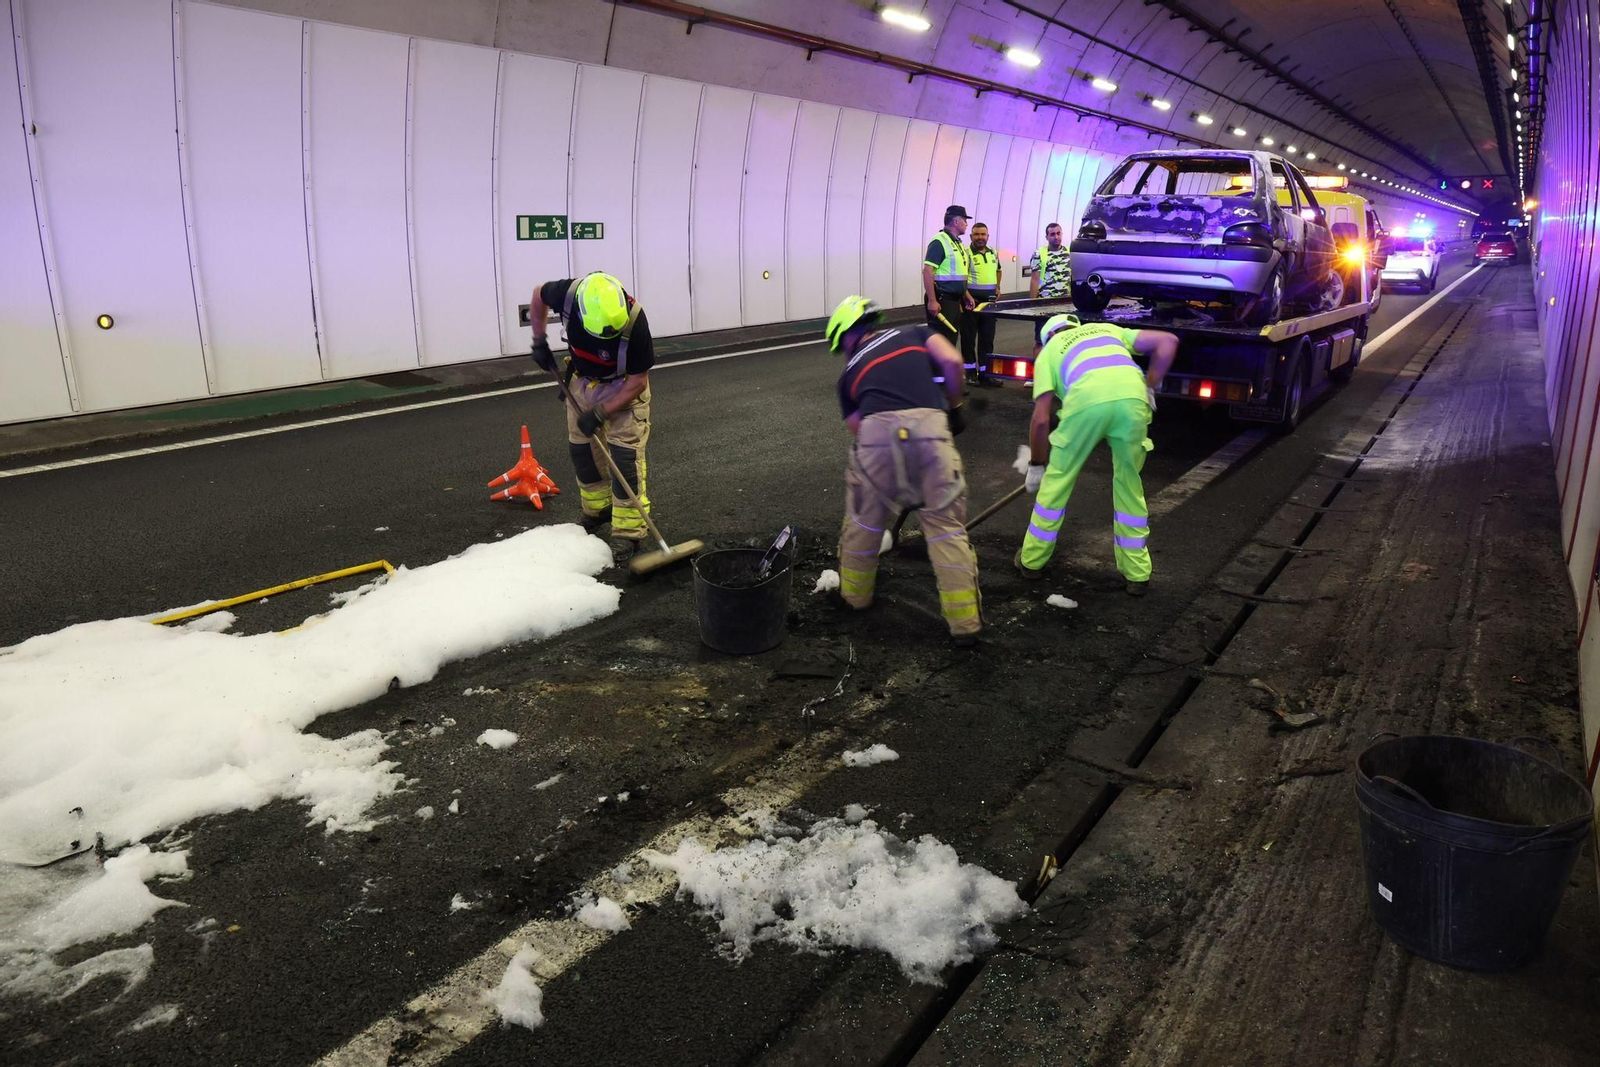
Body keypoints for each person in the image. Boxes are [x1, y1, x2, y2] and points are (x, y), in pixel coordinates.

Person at [826, 295, 981, 647]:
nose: (845, 353)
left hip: (876, 436)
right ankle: (966, 625)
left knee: (863, 522)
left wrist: (888, 480)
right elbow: (953, 360)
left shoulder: (847, 376)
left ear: (848, 335)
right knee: (945, 529)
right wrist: (954, 408)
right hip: (931, 429)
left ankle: (853, 599)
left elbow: (859, 428)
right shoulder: (915, 333)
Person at [1016, 314, 1178, 596]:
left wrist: (1037, 465)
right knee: (1128, 483)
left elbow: (1040, 420)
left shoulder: (1049, 351)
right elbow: (1168, 341)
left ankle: (1031, 561)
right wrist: (1150, 385)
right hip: (1133, 398)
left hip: (1085, 402)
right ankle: (1137, 574)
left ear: (1048, 337)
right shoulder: (1107, 329)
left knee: (1058, 482)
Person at [528, 271, 656, 563]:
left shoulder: (635, 322)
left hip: (623, 387)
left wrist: (602, 412)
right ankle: (598, 512)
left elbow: (638, 381)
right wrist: (539, 340)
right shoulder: (568, 295)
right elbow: (538, 295)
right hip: (583, 382)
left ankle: (628, 532)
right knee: (583, 452)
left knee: (625, 460)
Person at [922, 205, 975, 346]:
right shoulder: (939, 241)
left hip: (954, 301)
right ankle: (936, 369)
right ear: (956, 222)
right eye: (964, 220)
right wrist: (932, 301)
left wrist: (965, 295)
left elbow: (957, 275)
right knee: (941, 343)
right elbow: (927, 271)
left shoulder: (956, 243)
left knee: (950, 340)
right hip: (942, 300)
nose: (967, 224)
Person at [962, 222, 1001, 380]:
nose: (980, 237)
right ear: (971, 236)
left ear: (988, 236)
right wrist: (967, 297)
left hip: (989, 304)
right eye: (976, 234)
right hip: (971, 303)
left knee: (987, 339)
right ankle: (971, 374)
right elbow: (961, 278)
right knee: (968, 339)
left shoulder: (993, 252)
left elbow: (998, 270)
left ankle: (986, 373)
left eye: (983, 234)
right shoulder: (966, 254)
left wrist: (997, 287)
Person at [1028, 222, 1071, 302]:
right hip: (1046, 302)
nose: (1056, 237)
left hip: (1066, 301)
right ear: (1047, 237)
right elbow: (1035, 280)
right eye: (1052, 234)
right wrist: (1032, 304)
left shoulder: (1069, 252)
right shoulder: (1039, 254)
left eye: (1058, 234)